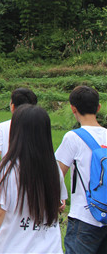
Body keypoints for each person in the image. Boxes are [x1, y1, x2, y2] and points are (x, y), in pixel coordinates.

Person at [0, 104, 67, 254]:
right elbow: (60, 204)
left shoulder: (10, 168)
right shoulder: (53, 166)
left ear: (17, 131)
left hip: (16, 247)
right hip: (51, 248)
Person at [55, 86, 107, 254]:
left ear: (73, 108)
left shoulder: (73, 137)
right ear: (98, 107)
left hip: (84, 217)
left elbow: (57, 174)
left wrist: (58, 200)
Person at [0, 88, 37, 200]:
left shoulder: (3, 127)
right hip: (34, 179)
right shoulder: (39, 126)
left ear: (12, 107)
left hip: (8, 180)